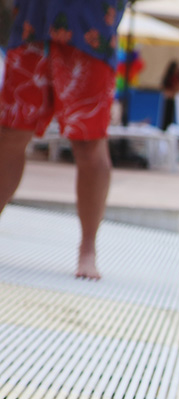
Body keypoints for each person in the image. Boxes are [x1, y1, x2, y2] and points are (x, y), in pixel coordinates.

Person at [0, 0, 127, 280]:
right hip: (32, 23)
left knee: (89, 140)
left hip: (90, 27)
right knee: (10, 132)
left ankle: (88, 248)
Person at [159, 60, 179, 131]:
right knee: (166, 117)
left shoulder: (176, 77)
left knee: (171, 118)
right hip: (168, 98)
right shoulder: (170, 77)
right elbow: (167, 87)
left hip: (173, 98)